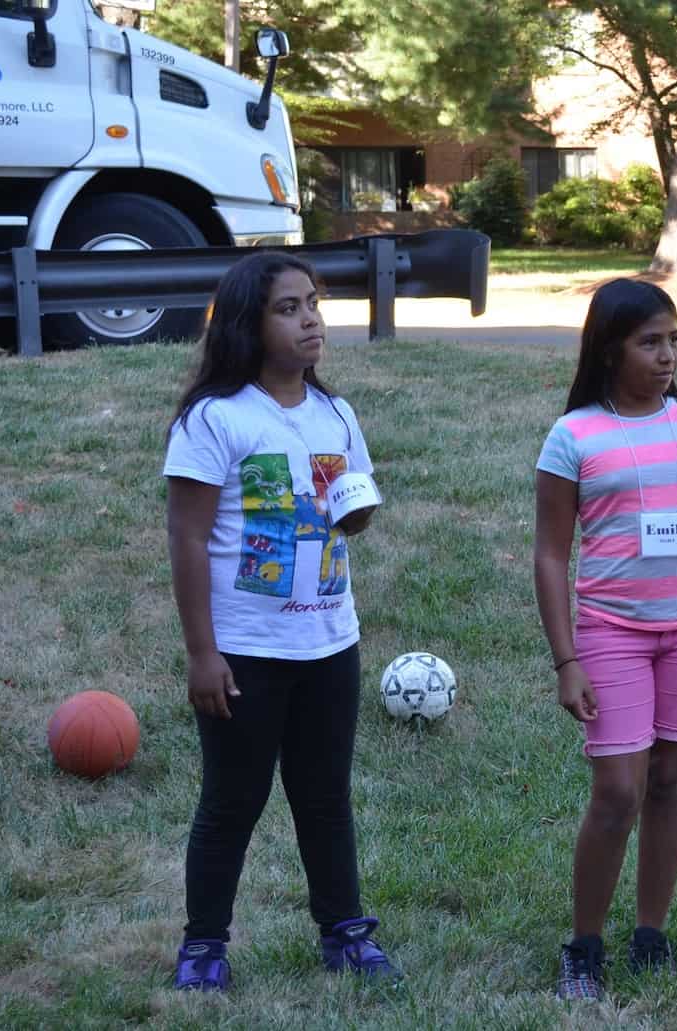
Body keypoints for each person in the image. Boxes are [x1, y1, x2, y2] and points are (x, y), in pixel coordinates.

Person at [163, 251, 399, 991]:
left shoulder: (335, 414)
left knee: (325, 795)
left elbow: (348, 517)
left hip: (331, 642)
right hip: (245, 649)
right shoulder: (216, 419)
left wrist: (349, 506)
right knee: (232, 800)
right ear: (247, 323)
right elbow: (188, 536)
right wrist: (204, 653)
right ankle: (204, 944)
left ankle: (344, 930)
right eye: (289, 308)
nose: (310, 320)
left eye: (313, 304)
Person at [533, 278, 677, 1001]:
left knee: (669, 781)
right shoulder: (575, 435)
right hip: (611, 632)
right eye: (649, 341)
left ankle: (651, 930)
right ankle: (584, 945)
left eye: (673, 340)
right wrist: (568, 660)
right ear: (609, 348)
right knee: (617, 790)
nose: (666, 355)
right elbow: (550, 554)